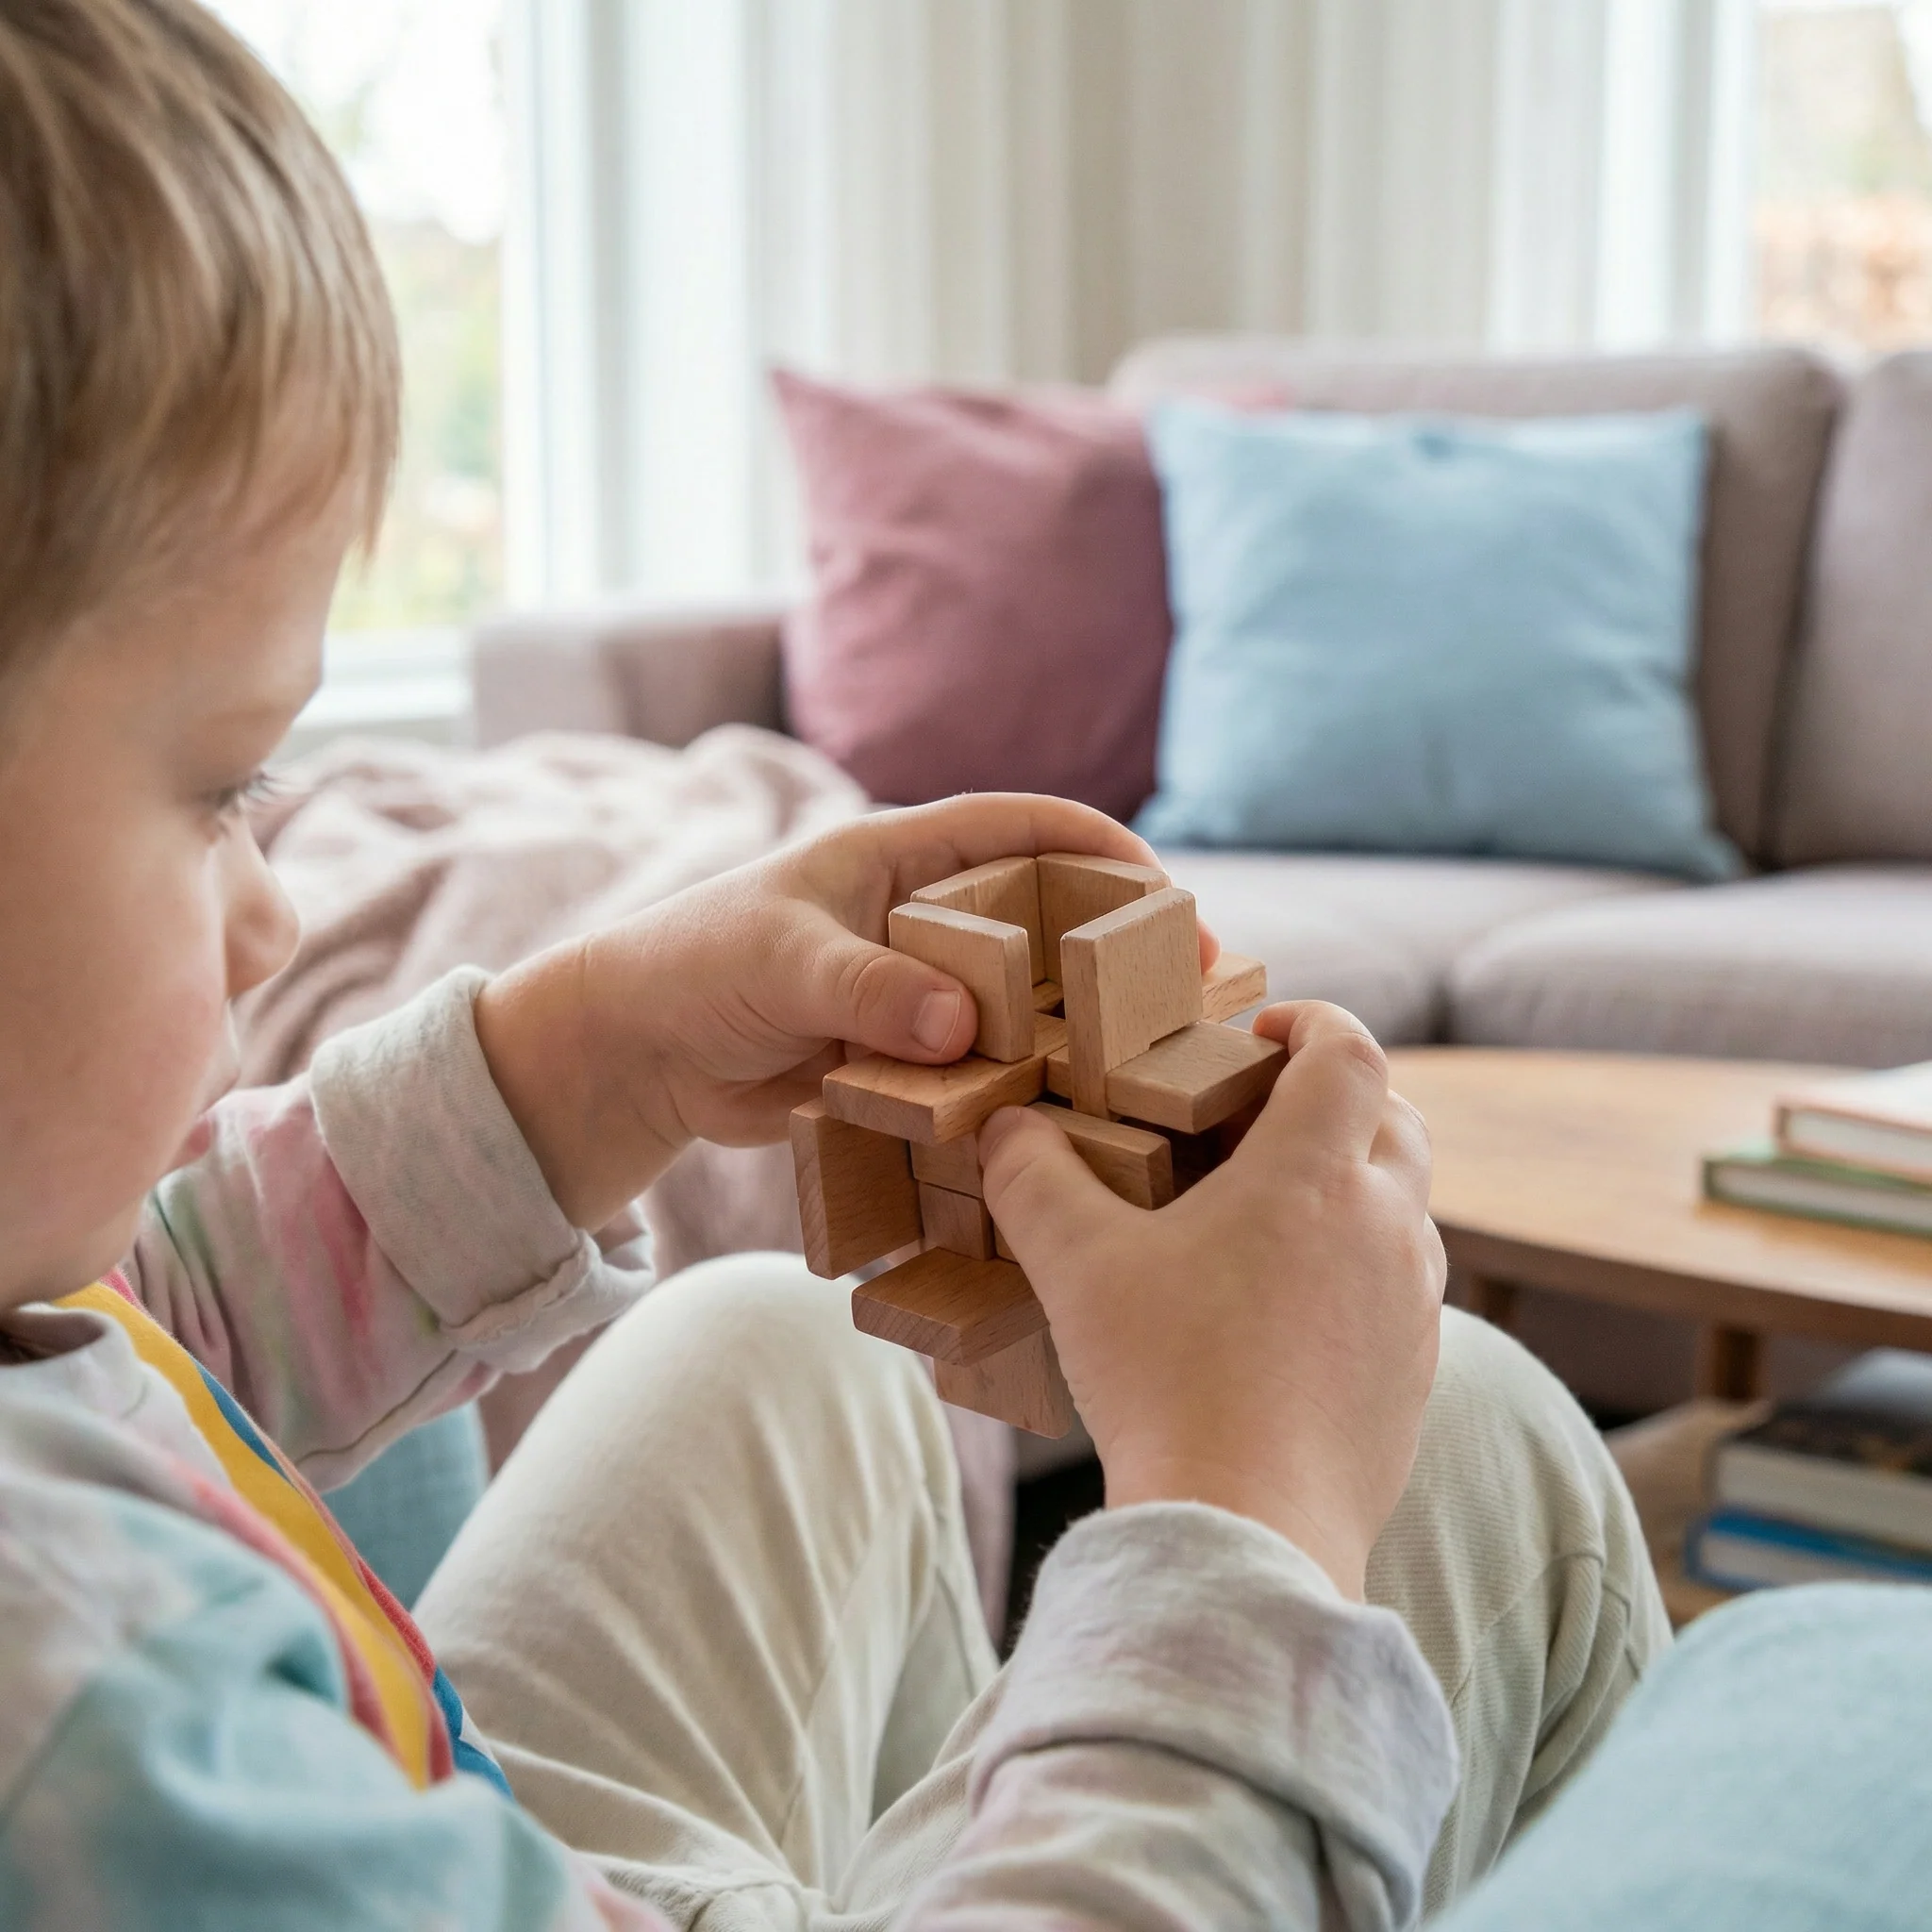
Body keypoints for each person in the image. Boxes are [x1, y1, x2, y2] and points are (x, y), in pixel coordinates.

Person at [0, 2, 1668, 1924]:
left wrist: (600, 1046)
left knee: (784, 1322)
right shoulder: (101, 1732)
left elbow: (164, 1328)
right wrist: (1243, 1520)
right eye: (220, 784)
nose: (273, 905)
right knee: (1477, 1449)